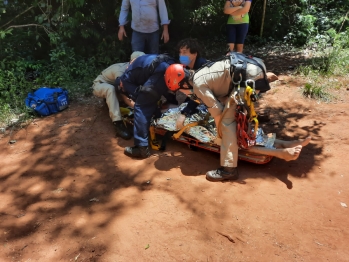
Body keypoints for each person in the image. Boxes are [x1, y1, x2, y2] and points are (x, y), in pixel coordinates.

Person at [164, 62, 312, 182]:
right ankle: (286, 145)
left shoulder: (198, 85)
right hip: (253, 69)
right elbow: (216, 94)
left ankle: (228, 170)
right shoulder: (200, 73)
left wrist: (221, 136)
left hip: (244, 83)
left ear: (183, 83)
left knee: (230, 131)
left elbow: (218, 114)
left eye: (179, 90)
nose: (181, 93)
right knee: (243, 131)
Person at [114, 54, 177, 158]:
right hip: (172, 66)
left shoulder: (125, 80)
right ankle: (165, 119)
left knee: (141, 106)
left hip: (160, 72)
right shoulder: (135, 67)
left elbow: (139, 96)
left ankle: (141, 148)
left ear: (120, 85)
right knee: (151, 96)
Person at [92, 51, 145, 140]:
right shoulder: (121, 72)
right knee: (111, 89)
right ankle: (118, 123)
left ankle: (112, 102)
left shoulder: (139, 69)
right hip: (100, 85)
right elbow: (124, 94)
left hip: (114, 86)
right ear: (131, 62)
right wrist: (139, 108)